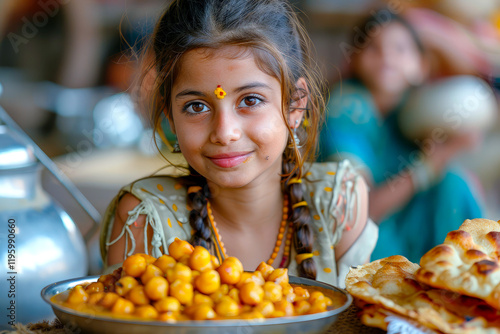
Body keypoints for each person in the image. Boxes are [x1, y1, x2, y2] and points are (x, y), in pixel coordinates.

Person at [100, 0, 377, 286]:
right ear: (169, 114)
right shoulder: (146, 219)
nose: (224, 132)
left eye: (250, 100)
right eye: (196, 107)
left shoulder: (338, 203)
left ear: (295, 104)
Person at [320, 10, 484, 263]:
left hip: (400, 222)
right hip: (359, 237)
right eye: (373, 47)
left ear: (422, 66)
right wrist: (429, 165)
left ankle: (466, 273)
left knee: (454, 184)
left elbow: (478, 80)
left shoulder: (412, 109)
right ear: (353, 60)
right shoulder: (348, 108)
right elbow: (361, 213)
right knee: (448, 181)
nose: (387, 56)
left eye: (400, 49)